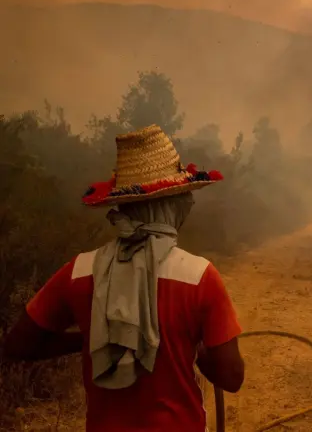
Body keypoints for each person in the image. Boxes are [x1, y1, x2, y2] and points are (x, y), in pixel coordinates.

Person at [2, 124, 244, 431]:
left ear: (123, 206)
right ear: (171, 205)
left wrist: (97, 337)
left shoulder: (78, 270)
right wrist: (197, 350)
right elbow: (232, 378)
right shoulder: (200, 277)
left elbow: (18, 345)